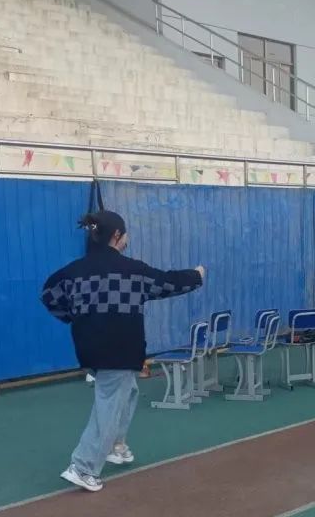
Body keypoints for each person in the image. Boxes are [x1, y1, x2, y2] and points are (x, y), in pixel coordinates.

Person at [41, 210, 204, 492]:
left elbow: (48, 295)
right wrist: (196, 275)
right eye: (125, 234)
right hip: (120, 348)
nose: (127, 239)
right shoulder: (132, 271)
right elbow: (167, 282)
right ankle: (83, 466)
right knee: (109, 402)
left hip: (89, 347)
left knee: (127, 392)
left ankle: (116, 445)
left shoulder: (73, 271)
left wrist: (74, 316)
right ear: (117, 235)